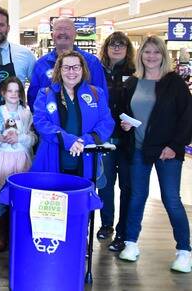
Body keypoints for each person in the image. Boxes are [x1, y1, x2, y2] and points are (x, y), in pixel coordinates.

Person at [118, 36, 192, 273]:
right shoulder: (133, 82)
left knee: (171, 199)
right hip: (139, 149)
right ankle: (131, 243)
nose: (151, 57)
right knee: (137, 196)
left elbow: (187, 118)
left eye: (156, 52)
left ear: (164, 55)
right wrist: (125, 125)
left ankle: (184, 251)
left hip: (167, 152)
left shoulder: (175, 84)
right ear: (140, 55)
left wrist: (175, 146)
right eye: (147, 52)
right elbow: (123, 111)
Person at [31, 50, 114, 181]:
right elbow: (40, 122)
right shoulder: (45, 94)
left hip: (86, 162)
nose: (71, 72)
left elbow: (106, 123)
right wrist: (68, 140)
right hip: (52, 161)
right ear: (59, 70)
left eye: (76, 67)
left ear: (83, 69)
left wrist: (84, 141)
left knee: (82, 200)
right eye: (66, 67)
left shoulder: (96, 93)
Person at [95, 32, 135, 251]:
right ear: (106, 47)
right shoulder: (98, 71)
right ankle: (106, 224)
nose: (117, 48)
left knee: (127, 186)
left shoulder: (136, 72)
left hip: (130, 139)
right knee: (106, 185)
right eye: (113, 44)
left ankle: (123, 231)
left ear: (128, 49)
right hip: (106, 138)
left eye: (121, 45)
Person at [0, 76, 36, 252]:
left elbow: (33, 138)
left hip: (22, 160)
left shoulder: (26, 114)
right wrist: (0, 138)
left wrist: (20, 138)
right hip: (3, 160)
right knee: (0, 199)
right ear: (3, 93)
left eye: (17, 91)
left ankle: (20, 235)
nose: (13, 94)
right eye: (10, 91)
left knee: (23, 198)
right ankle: (0, 235)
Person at [27, 17, 108, 111]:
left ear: (75, 34)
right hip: (49, 123)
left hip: (85, 122)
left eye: (67, 29)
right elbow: (33, 97)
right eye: (58, 29)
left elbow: (102, 96)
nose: (62, 32)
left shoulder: (91, 62)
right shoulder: (41, 64)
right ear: (52, 35)